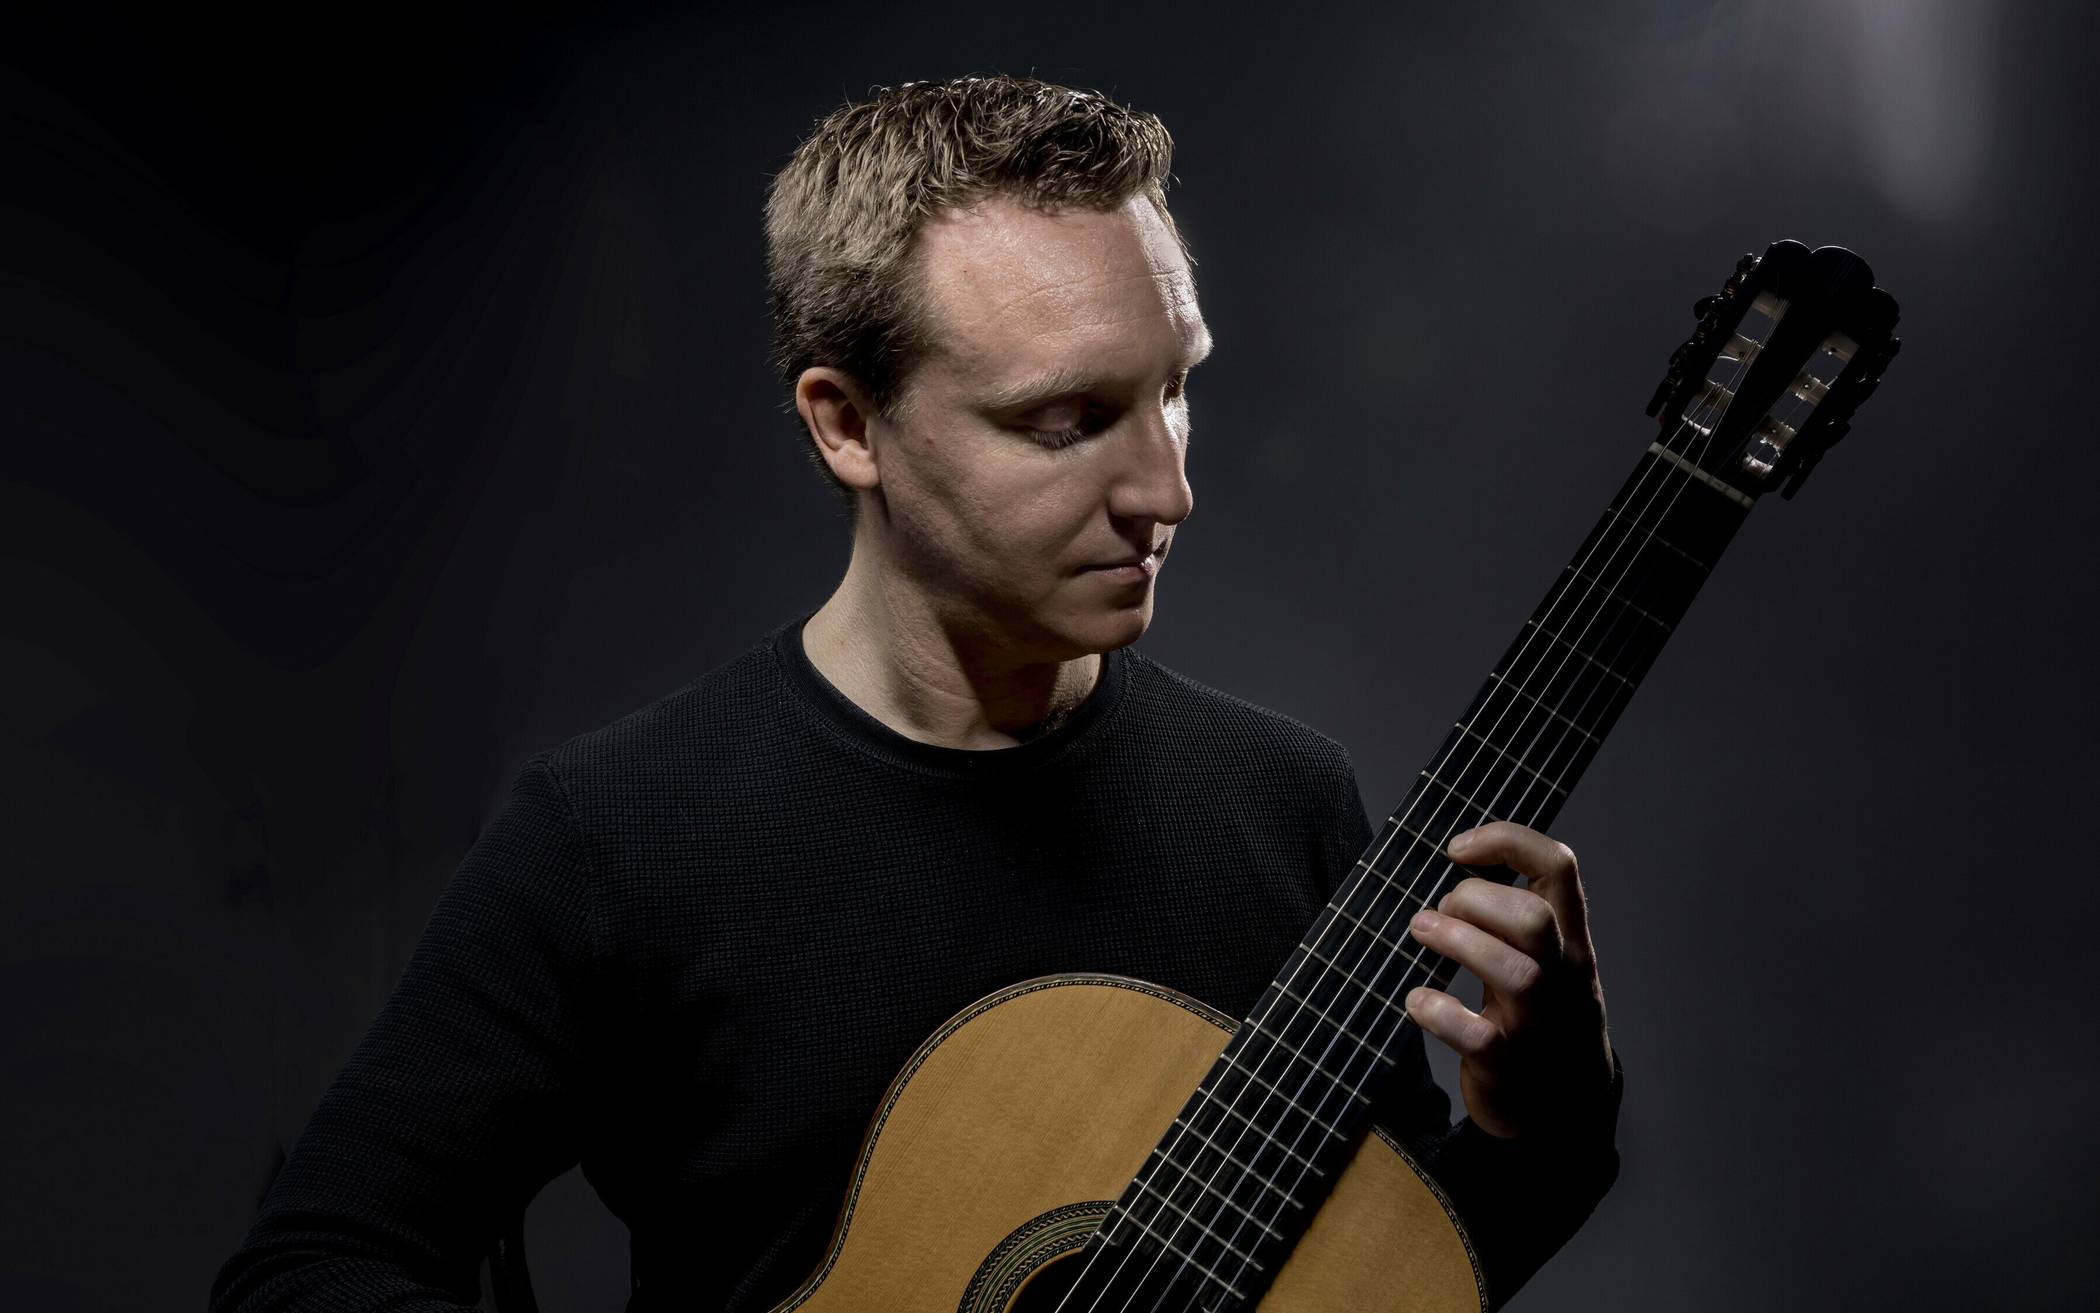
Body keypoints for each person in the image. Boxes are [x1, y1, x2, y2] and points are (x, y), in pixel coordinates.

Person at [209, 74, 1621, 1313]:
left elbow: (1386, 1277)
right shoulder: (618, 833)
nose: (1166, 490)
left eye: (1174, 391)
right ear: (846, 422)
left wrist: (1538, 1128)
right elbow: (306, 1271)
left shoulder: (1282, 802)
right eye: (1066, 421)